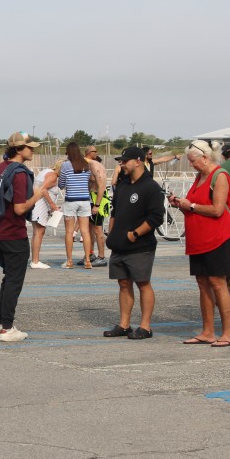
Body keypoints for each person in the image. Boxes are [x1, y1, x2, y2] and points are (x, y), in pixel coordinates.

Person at [168, 140, 230, 347]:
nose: (191, 165)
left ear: (205, 158)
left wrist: (190, 205)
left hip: (218, 237)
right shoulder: (199, 176)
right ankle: (208, 331)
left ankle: (227, 333)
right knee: (202, 283)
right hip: (199, 238)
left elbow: (217, 210)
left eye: (193, 161)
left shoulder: (220, 176)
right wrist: (181, 204)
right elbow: (195, 205)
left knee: (218, 282)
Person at [102, 146, 165, 340]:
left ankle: (145, 327)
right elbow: (114, 212)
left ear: (138, 161)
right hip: (119, 245)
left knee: (143, 283)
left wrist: (135, 234)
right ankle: (124, 325)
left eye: (124, 161)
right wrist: (111, 235)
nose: (121, 164)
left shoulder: (151, 187)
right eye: (120, 161)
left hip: (140, 246)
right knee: (123, 283)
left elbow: (156, 217)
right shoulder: (123, 185)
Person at [0, 132, 48, 340]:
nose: (32, 150)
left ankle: (0, 323)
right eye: (29, 147)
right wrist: (38, 195)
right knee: (14, 282)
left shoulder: (0, 168)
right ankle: (7, 328)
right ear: (18, 149)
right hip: (13, 234)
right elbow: (19, 208)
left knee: (8, 279)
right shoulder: (20, 173)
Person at [58, 142, 93, 269]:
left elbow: (61, 184)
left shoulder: (66, 165)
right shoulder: (86, 164)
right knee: (85, 231)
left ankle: (69, 261)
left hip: (71, 200)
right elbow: (89, 181)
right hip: (85, 200)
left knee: (69, 232)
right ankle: (88, 260)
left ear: (68, 152)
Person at [28, 166, 60, 269]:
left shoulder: (46, 171)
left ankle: (35, 259)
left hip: (37, 204)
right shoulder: (53, 176)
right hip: (40, 205)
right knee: (39, 232)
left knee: (37, 232)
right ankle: (35, 261)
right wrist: (52, 204)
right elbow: (43, 189)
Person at [83, 145, 109, 267]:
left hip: (98, 199)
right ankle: (90, 254)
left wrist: (97, 205)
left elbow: (101, 186)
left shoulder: (95, 165)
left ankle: (101, 256)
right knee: (89, 229)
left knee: (98, 229)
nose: (96, 153)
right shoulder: (88, 165)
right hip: (90, 198)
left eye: (96, 151)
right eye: (95, 151)